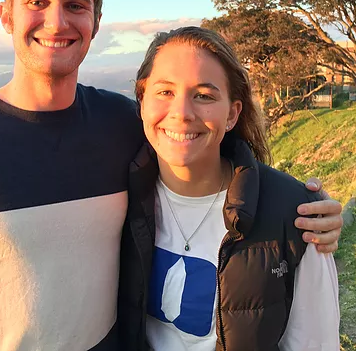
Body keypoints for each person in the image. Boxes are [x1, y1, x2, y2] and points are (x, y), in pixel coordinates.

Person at [0, 0, 343, 351]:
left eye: (76, 5)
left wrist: (306, 211)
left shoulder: (123, 126)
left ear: (96, 20)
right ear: (5, 15)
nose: (56, 22)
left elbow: (209, 165)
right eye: (37, 1)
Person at [118, 26, 340, 351]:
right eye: (164, 92)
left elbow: (315, 343)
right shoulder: (116, 195)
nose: (181, 113)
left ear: (233, 114)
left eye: (204, 96)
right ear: (141, 100)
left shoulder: (295, 217)